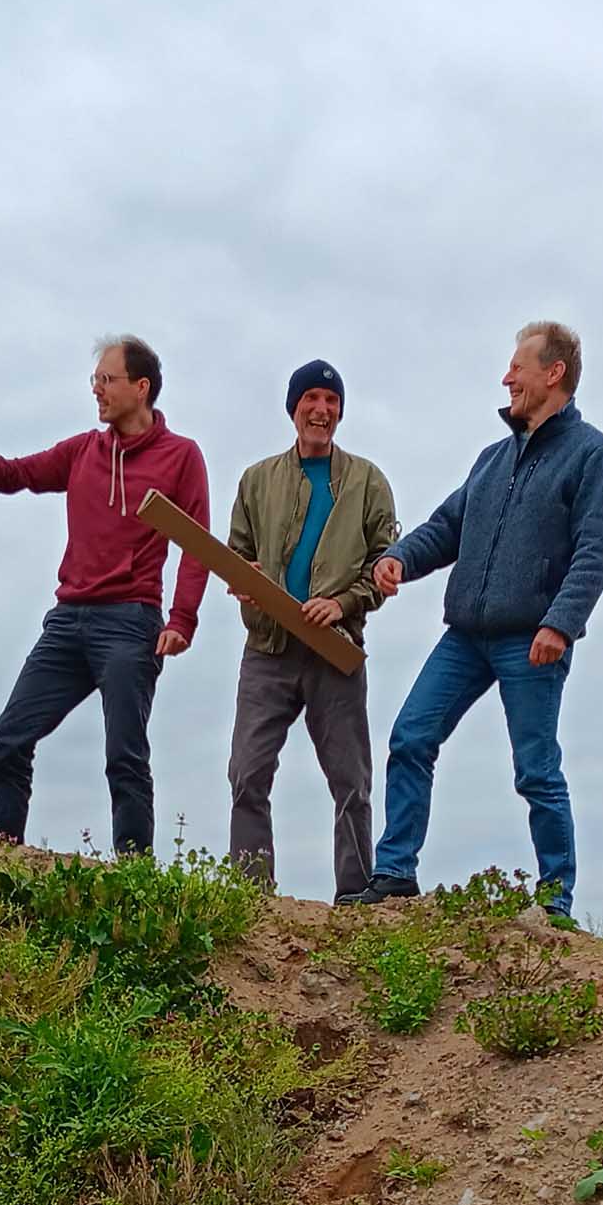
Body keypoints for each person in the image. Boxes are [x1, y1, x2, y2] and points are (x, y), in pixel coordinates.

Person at [347, 322, 603, 917]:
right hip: (465, 637)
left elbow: (595, 551)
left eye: (517, 367)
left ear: (554, 373)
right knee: (410, 736)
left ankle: (555, 902)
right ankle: (395, 873)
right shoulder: (492, 460)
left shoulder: (594, 456)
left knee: (536, 771)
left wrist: (561, 623)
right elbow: (448, 527)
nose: (506, 378)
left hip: (533, 638)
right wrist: (397, 557)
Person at [0, 337, 210, 855]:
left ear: (140, 387)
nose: (96, 389)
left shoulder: (181, 457)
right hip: (68, 621)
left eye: (107, 380)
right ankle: (2, 861)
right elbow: (12, 475)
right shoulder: (84, 450)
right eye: (95, 380)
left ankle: (134, 880)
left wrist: (181, 620)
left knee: (125, 757)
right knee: (9, 739)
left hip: (131, 622)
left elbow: (196, 546)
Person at [221, 360, 398, 896]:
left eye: (331, 401)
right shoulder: (256, 480)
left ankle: (355, 899)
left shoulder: (369, 482)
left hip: (335, 651)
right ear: (293, 408)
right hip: (268, 649)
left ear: (340, 411)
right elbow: (237, 554)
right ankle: (252, 900)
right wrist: (244, 578)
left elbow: (386, 564)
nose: (321, 410)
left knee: (352, 782)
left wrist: (342, 603)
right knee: (247, 774)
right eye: (312, 399)